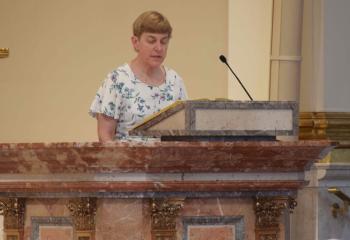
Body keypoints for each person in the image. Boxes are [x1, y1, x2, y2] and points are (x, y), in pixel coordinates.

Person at [89, 11, 188, 142]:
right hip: (128, 161)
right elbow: (105, 136)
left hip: (170, 161)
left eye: (164, 42)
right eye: (151, 41)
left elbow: (186, 131)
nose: (159, 48)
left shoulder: (175, 80)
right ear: (135, 42)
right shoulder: (117, 80)